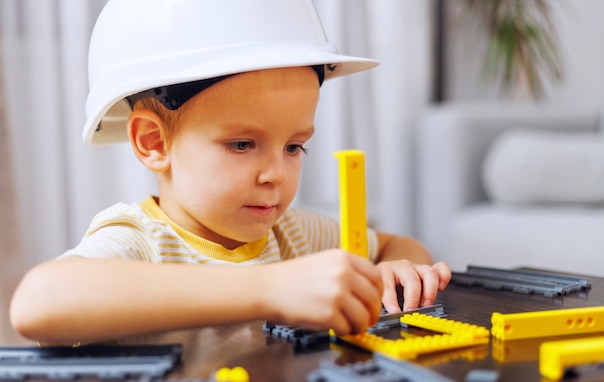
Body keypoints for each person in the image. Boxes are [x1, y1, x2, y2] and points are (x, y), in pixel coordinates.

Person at [9, 0, 451, 345]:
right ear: (154, 142)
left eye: (294, 146)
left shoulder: (291, 233)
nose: (276, 174)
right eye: (242, 144)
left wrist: (403, 267)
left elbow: (394, 244)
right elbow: (38, 302)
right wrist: (268, 288)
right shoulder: (141, 242)